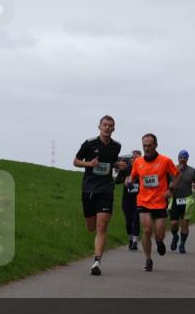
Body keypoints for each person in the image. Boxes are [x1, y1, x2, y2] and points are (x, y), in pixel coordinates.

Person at [73, 116, 129, 275]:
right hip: (89, 188)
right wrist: (89, 164)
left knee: (102, 226)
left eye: (110, 125)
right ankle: (95, 254)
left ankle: (97, 261)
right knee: (91, 227)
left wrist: (118, 165)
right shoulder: (89, 143)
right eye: (104, 125)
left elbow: (112, 162)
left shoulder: (116, 146)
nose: (107, 127)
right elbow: (75, 161)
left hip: (106, 189)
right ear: (99, 126)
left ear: (113, 129)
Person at [127, 134, 180, 272]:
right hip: (143, 201)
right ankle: (148, 259)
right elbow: (133, 177)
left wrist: (171, 190)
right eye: (144, 145)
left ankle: (160, 241)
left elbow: (177, 175)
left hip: (160, 202)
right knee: (146, 230)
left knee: (159, 233)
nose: (147, 148)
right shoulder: (138, 162)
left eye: (149, 145)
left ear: (156, 145)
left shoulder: (165, 160)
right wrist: (129, 180)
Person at [169, 150, 195, 254]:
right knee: (173, 223)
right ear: (178, 158)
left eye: (185, 158)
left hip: (187, 199)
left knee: (185, 224)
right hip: (174, 198)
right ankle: (175, 236)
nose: (182, 159)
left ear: (187, 159)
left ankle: (182, 244)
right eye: (181, 157)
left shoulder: (193, 171)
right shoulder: (172, 169)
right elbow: (167, 182)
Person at [116, 150, 143, 249]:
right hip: (127, 200)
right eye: (133, 158)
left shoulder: (143, 170)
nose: (134, 159)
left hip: (138, 199)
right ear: (131, 160)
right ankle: (130, 239)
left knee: (136, 220)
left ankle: (135, 242)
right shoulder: (126, 170)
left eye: (137, 158)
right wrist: (125, 179)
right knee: (128, 221)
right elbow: (117, 181)